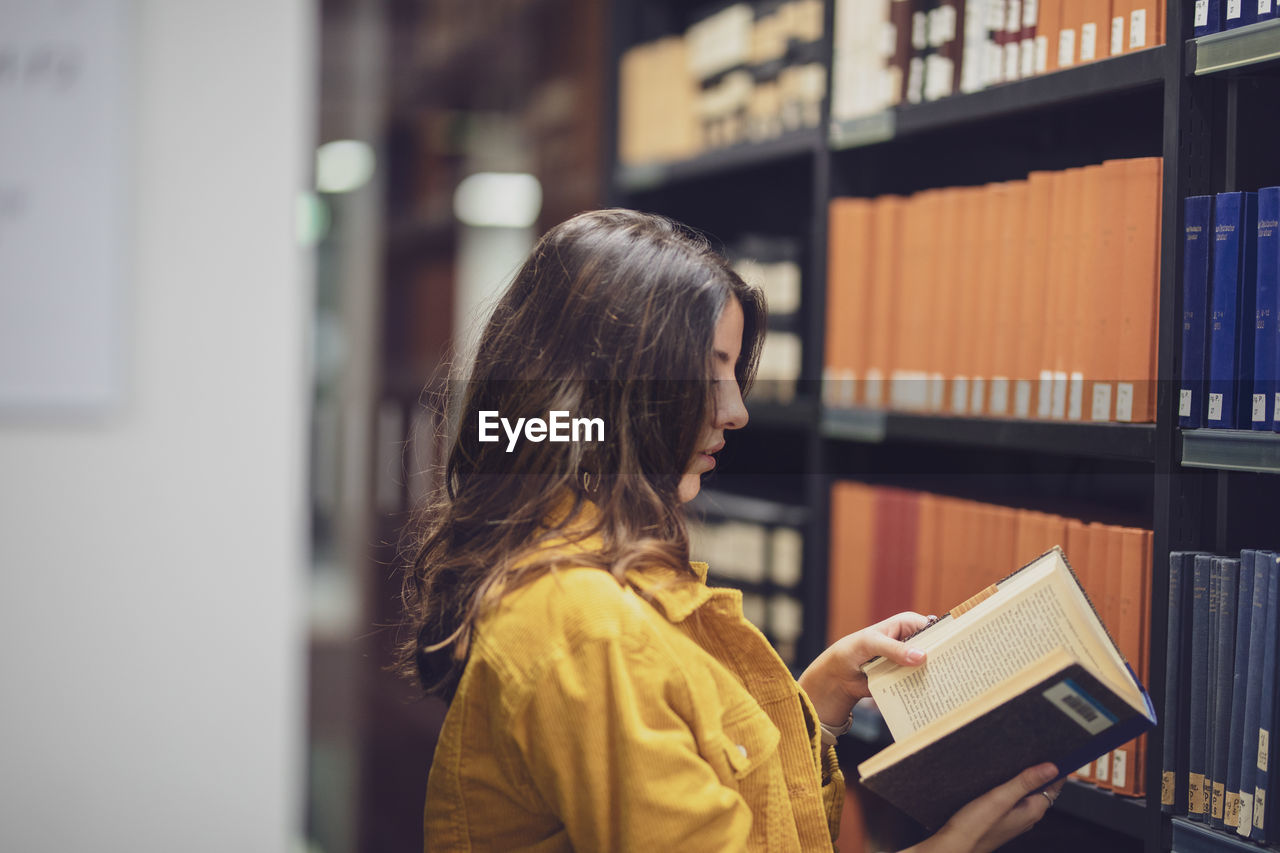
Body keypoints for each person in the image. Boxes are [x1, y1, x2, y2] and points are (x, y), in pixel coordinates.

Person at [398, 208, 1063, 851]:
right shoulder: (585, 623)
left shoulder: (603, 588)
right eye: (711, 369)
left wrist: (821, 702)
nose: (737, 409)